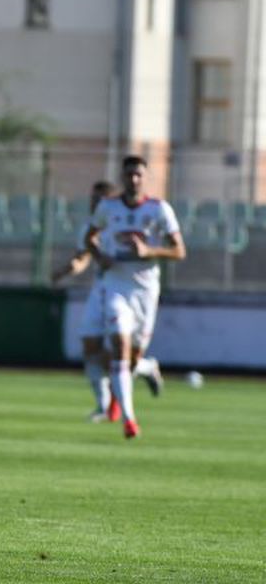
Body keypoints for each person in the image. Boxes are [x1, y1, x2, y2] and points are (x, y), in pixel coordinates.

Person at [85, 155, 185, 439]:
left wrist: (150, 252)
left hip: (146, 289)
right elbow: (88, 237)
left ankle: (142, 372)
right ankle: (129, 420)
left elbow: (179, 251)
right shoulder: (108, 207)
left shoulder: (159, 209)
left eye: (139, 174)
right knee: (118, 345)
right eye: (129, 174)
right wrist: (99, 256)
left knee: (131, 357)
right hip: (116, 285)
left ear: (145, 177)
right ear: (122, 177)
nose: (134, 179)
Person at [52, 179, 131, 422]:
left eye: (99, 200)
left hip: (128, 293)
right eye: (92, 199)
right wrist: (68, 270)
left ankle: (147, 368)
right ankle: (103, 405)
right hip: (101, 292)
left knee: (117, 355)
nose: (94, 203)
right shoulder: (89, 227)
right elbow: (83, 257)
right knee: (90, 347)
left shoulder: (124, 224)